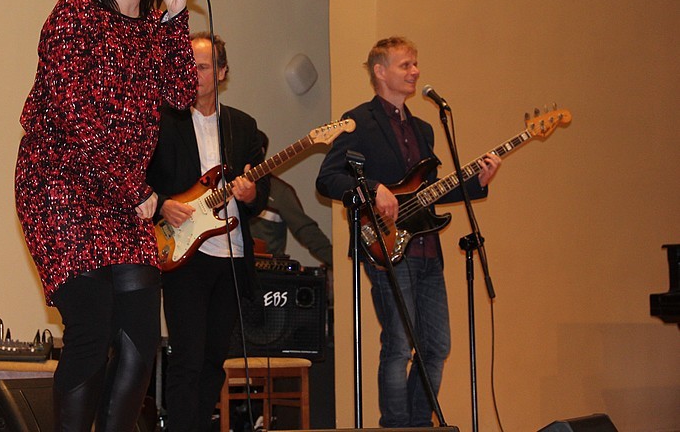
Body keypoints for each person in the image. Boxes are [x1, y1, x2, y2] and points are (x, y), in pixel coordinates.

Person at [14, 0, 199, 432]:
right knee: (91, 330)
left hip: (122, 198)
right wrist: (133, 190)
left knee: (141, 340)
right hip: (61, 188)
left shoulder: (150, 27)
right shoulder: (73, 12)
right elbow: (74, 117)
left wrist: (175, 16)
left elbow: (182, 92)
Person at [315, 37, 501, 428]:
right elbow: (327, 178)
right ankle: (395, 426)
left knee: (437, 345)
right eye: (405, 65)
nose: (415, 71)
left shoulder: (424, 129)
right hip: (384, 247)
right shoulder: (358, 122)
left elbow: (428, 191)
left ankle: (420, 425)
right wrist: (372, 190)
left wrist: (477, 183)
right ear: (380, 72)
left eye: (415, 64)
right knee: (399, 345)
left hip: (427, 250)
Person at [146, 32, 270, 432]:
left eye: (201, 67)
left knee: (214, 361)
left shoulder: (242, 126)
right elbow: (139, 180)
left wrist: (251, 193)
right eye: (187, 66)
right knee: (187, 359)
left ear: (221, 72)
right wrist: (163, 204)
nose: (192, 74)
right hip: (185, 255)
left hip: (231, 257)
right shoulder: (163, 121)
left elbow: (260, 195)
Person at [250, 130, 333, 267]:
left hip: (265, 270)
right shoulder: (224, 186)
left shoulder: (280, 192)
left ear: (261, 152)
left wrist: (338, 262)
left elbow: (306, 231)